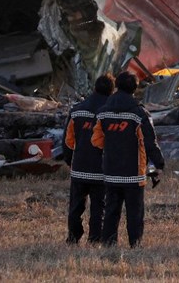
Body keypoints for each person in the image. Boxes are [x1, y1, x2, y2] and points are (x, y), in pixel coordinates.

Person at [92, 70, 165, 247]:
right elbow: (150, 142)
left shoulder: (102, 114)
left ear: (116, 86)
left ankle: (109, 244)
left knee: (111, 210)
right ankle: (135, 244)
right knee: (135, 212)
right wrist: (159, 164)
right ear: (135, 88)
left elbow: (96, 141)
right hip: (134, 173)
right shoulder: (139, 114)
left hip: (111, 171)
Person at [63, 72, 114, 244]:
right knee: (99, 207)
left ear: (94, 88)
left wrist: (70, 161)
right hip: (102, 170)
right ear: (112, 91)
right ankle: (94, 239)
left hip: (79, 167)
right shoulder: (112, 114)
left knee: (75, 207)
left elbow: (68, 142)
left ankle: (73, 237)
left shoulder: (77, 111)